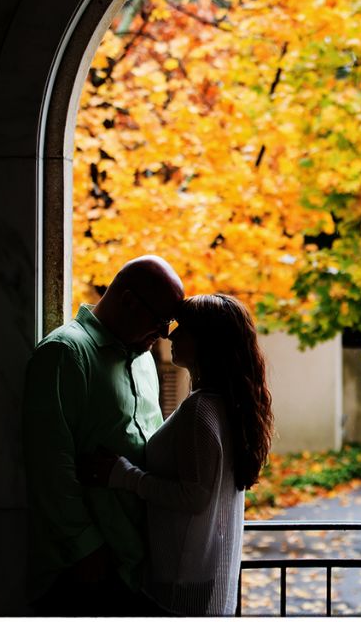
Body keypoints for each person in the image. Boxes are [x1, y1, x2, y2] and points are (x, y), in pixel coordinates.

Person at [78, 293, 274, 616]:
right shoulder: (224, 405)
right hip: (198, 572)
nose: (171, 334)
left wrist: (123, 476)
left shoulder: (201, 410)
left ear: (208, 342)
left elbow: (195, 496)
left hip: (181, 579)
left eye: (184, 328)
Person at [22, 255, 184, 615]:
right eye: (159, 319)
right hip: (85, 574)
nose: (164, 333)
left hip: (139, 565)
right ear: (127, 300)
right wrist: (87, 550)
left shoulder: (144, 359)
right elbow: (50, 466)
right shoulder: (64, 354)